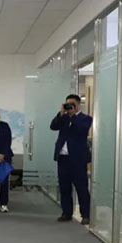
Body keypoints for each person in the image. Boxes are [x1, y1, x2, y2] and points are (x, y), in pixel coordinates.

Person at [50, 94, 92, 225]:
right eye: (67, 104)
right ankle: (66, 213)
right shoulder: (63, 118)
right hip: (63, 158)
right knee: (64, 187)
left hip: (78, 159)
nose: (70, 106)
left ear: (78, 105)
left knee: (81, 188)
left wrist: (73, 115)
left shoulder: (86, 118)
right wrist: (61, 113)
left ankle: (86, 215)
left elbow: (81, 129)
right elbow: (53, 126)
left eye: (72, 104)